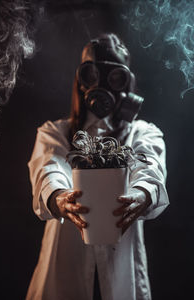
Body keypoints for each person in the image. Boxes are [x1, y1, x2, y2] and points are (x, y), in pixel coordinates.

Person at [26, 33, 169, 300]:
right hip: (62, 274)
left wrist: (143, 193)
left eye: (114, 77)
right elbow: (49, 167)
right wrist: (59, 198)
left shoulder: (143, 134)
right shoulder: (54, 133)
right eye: (92, 74)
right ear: (80, 79)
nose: (101, 85)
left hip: (122, 277)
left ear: (128, 83)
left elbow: (149, 167)